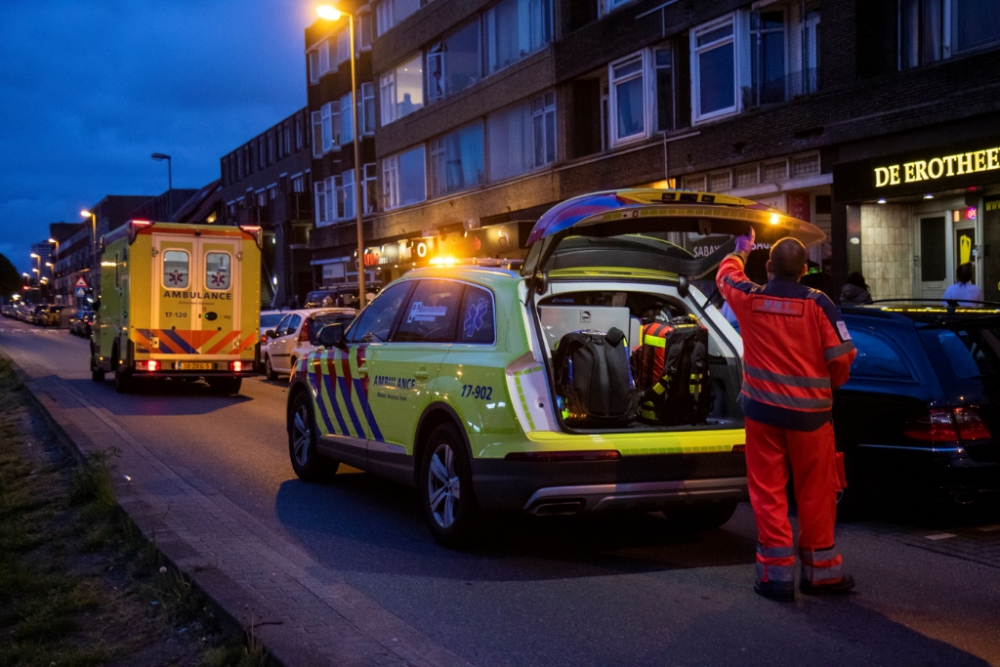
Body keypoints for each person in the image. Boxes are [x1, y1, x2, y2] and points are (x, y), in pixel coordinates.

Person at [717, 229, 857, 603]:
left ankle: (775, 576)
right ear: (805, 270)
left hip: (762, 415)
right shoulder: (819, 304)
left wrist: (741, 247)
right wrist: (826, 389)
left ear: (768, 267)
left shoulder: (750, 298)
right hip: (811, 419)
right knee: (817, 493)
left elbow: (726, 276)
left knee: (767, 492)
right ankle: (821, 573)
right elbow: (842, 360)